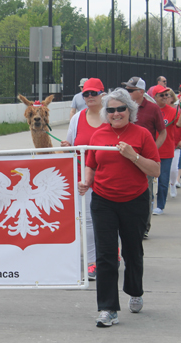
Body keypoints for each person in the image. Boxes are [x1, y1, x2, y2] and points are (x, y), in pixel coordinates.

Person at [79, 88, 160, 327]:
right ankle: (108, 309)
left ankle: (135, 291)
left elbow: (155, 170)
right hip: (103, 201)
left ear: (130, 110)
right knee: (105, 256)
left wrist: (133, 156)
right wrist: (86, 182)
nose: (116, 114)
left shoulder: (141, 134)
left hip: (134, 201)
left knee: (132, 252)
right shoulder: (98, 135)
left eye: (121, 109)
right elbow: (91, 164)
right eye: (111, 110)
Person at [61, 78, 105, 280]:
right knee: (87, 220)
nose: (89, 97)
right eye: (86, 94)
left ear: (101, 94)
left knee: (110, 220)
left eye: (93, 93)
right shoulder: (77, 118)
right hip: (83, 179)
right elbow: (70, 143)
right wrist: (65, 146)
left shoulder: (111, 116)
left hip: (108, 177)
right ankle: (92, 263)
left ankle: (113, 249)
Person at [122, 76, 166, 237]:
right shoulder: (121, 107)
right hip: (123, 157)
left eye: (131, 90)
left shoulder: (153, 109)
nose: (127, 92)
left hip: (143, 159)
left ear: (141, 92)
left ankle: (143, 227)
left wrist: (153, 149)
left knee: (145, 193)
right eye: (127, 89)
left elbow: (163, 132)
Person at [151, 84, 178, 215]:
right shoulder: (151, 110)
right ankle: (149, 202)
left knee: (163, 180)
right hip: (151, 150)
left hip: (166, 151)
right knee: (148, 180)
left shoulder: (173, 111)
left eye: (166, 95)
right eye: (161, 95)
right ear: (154, 97)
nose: (165, 97)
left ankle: (160, 206)